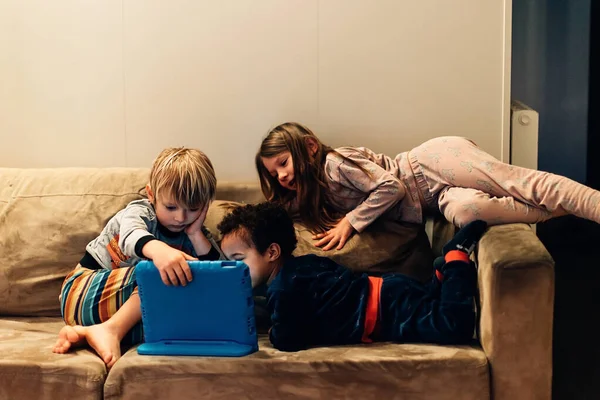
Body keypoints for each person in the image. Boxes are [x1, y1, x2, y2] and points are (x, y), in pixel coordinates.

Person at [255, 122, 600, 250]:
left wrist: (351, 221)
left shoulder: (334, 163)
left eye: (283, 164)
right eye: (274, 174)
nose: (281, 177)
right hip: (435, 201)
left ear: (310, 148)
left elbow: (391, 188)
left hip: (429, 164)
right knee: (467, 215)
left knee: (519, 183)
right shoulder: (313, 193)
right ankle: (563, 208)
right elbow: (278, 213)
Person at [217, 202, 486, 352]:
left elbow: (288, 341)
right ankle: (439, 280)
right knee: (432, 307)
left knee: (455, 326)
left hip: (386, 312)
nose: (232, 268)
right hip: (388, 289)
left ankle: (455, 259)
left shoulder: (283, 290)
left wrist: (274, 329)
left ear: (272, 252)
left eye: (238, 260)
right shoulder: (304, 265)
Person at [52, 147, 223, 367]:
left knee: (180, 319)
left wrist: (196, 233)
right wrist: (160, 251)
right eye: (170, 207)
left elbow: (217, 278)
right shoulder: (140, 212)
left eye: (193, 209)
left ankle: (88, 334)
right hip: (82, 290)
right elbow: (131, 236)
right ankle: (111, 331)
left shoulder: (193, 232)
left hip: (112, 309)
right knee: (161, 273)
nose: (180, 217)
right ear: (151, 195)